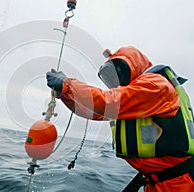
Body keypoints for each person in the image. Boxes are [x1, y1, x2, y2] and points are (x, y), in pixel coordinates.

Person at [46, 46, 194, 191]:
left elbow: (105, 102)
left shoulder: (155, 86)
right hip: (155, 182)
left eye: (120, 72)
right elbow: (93, 111)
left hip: (181, 183)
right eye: (110, 77)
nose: (115, 80)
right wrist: (65, 94)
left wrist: (68, 84)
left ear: (135, 68)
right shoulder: (132, 100)